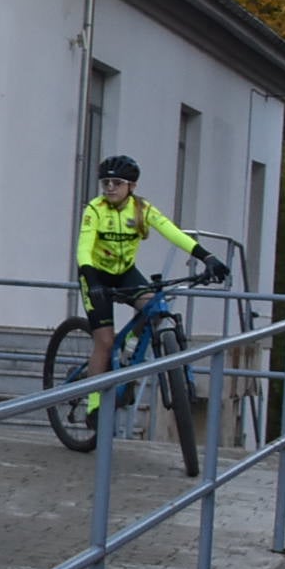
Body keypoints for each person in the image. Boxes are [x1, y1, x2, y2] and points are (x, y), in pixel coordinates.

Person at [77, 155, 227, 413]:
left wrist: (207, 257)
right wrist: (92, 282)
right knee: (104, 342)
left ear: (131, 187)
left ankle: (131, 347)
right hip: (96, 275)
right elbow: (83, 250)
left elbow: (173, 232)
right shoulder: (95, 209)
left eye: (117, 182)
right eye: (106, 182)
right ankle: (93, 406)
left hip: (125, 273)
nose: (110, 187)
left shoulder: (142, 210)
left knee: (154, 309)